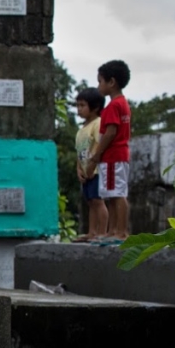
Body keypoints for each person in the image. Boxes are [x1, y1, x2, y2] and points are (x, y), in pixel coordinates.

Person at [87, 60, 132, 244]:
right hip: (115, 157)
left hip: (113, 156)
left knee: (117, 193)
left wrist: (97, 153)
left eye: (100, 81)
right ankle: (113, 230)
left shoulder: (113, 106)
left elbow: (111, 132)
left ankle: (120, 231)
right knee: (112, 194)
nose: (99, 86)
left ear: (111, 82)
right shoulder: (122, 103)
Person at [73, 88, 107, 242]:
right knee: (91, 202)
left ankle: (102, 232)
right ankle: (91, 232)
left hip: (96, 170)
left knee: (98, 201)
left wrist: (93, 165)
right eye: (77, 106)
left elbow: (99, 146)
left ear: (95, 107)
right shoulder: (81, 131)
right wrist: (79, 168)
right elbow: (79, 152)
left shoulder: (98, 124)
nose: (79, 109)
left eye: (82, 105)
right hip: (85, 171)